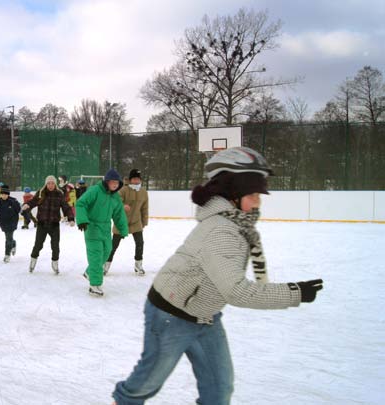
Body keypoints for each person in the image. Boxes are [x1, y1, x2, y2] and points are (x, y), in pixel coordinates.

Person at [112, 147, 324, 405]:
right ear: (232, 194)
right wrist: (295, 292)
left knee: (219, 389)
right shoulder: (221, 231)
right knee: (144, 386)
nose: (258, 201)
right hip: (170, 315)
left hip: (205, 315)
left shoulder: (236, 224)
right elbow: (237, 291)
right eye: (254, 194)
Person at [75, 168, 128, 297]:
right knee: (96, 255)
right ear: (106, 182)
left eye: (117, 183)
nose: (115, 185)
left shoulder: (115, 197)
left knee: (107, 251)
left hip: (105, 229)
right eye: (112, 182)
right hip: (91, 227)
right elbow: (81, 203)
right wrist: (82, 220)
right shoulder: (95, 191)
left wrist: (123, 229)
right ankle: (94, 284)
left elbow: (119, 214)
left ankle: (89, 272)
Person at [24, 175, 74, 275]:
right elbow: (33, 201)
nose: (50, 185)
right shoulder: (41, 192)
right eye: (48, 183)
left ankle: (55, 263)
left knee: (55, 246)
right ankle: (33, 261)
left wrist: (71, 218)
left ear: (55, 184)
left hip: (54, 225)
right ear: (46, 184)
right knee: (38, 245)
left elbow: (66, 207)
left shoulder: (59, 193)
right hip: (42, 224)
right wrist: (28, 205)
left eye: (52, 183)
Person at [105, 169, 149, 276]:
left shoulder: (143, 192)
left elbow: (144, 208)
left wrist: (144, 221)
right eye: (134, 179)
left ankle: (138, 265)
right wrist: (122, 205)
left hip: (136, 222)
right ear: (130, 180)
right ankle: (105, 265)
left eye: (138, 179)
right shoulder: (123, 190)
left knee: (140, 243)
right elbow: (115, 200)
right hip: (121, 222)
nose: (136, 181)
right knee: (113, 245)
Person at [0, 185, 21, 263]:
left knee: (8, 239)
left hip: (12, 222)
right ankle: (13, 244)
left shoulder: (13, 201)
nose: (4, 196)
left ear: (8, 194)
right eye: (2, 194)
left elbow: (20, 209)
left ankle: (7, 255)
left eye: (5, 194)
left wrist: (25, 214)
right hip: (3, 222)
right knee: (9, 238)